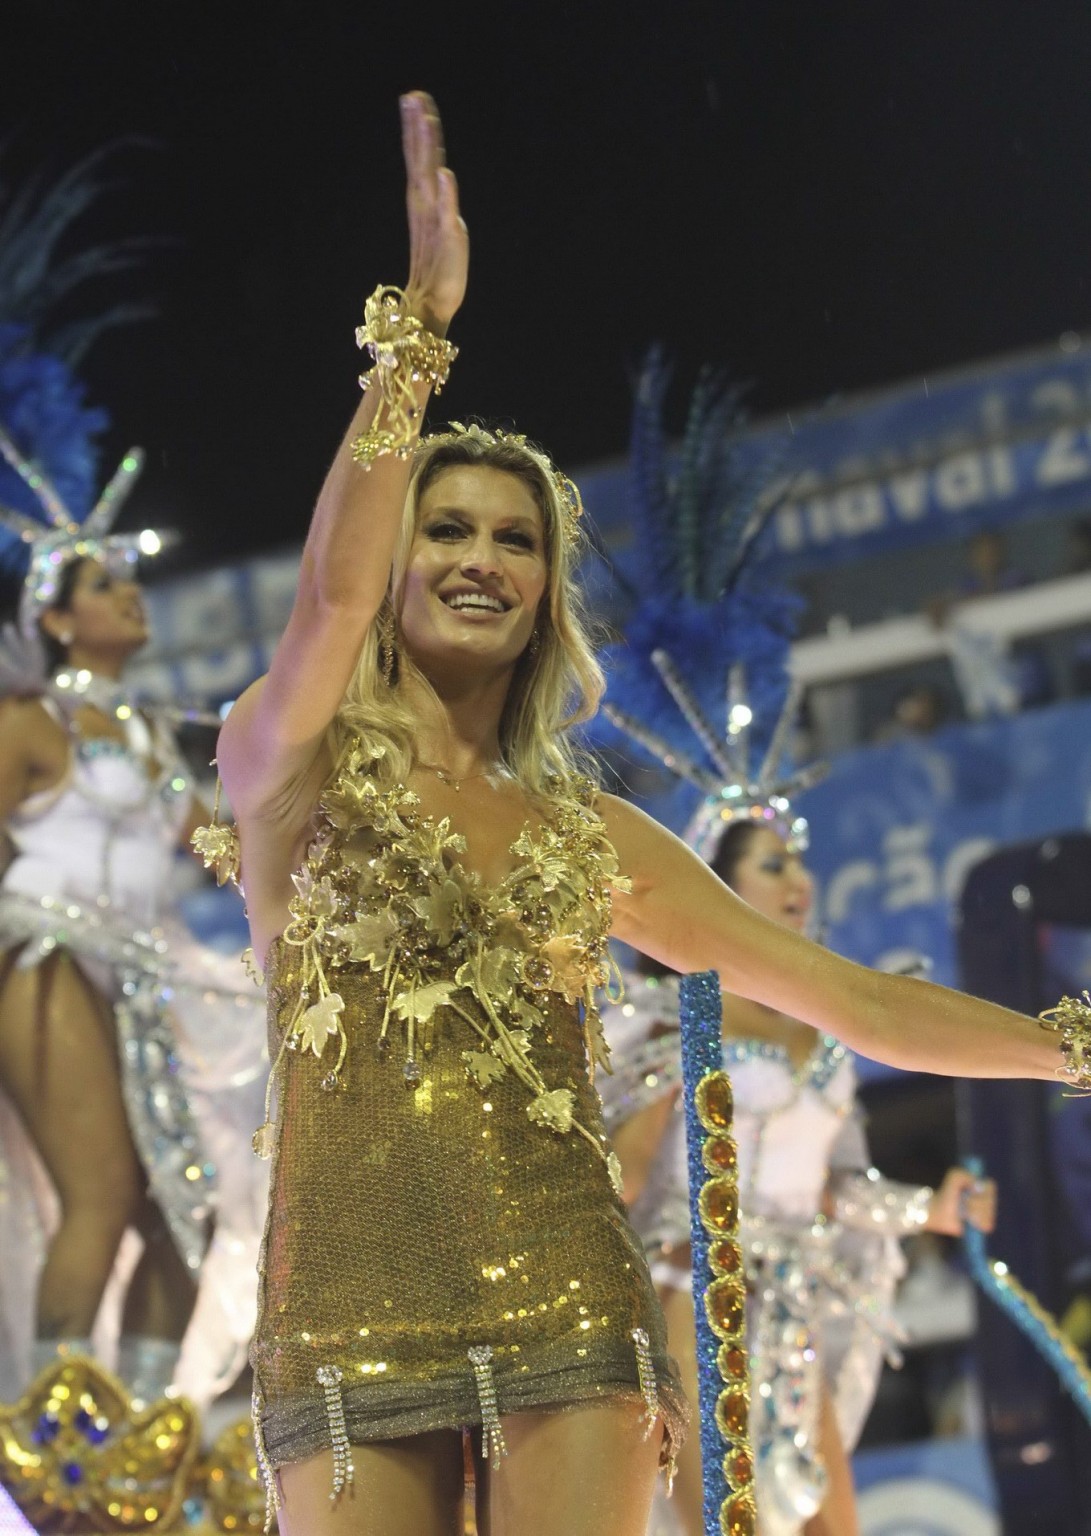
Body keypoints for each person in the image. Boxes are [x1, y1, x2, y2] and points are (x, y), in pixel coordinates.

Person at [210, 92, 1085, 1536]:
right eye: (447, 528)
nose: (481, 558)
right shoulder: (286, 768)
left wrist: (1066, 1053)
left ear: (549, 592)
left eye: (515, 539)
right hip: (346, 1299)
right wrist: (413, 351)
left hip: (565, 1288)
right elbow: (324, 600)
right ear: (398, 557)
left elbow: (843, 998)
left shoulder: (590, 840)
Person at [602, 814, 997, 1536]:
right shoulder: (668, 1018)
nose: (799, 882)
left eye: (798, 864)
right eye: (773, 864)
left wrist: (927, 1211)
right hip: (690, 1297)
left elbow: (832, 1188)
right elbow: (619, 1178)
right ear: (715, 885)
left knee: (830, 1520)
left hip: (790, 1316)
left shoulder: (828, 1030)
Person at [0, 429, 266, 1411]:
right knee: (102, 1195)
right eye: (105, 587)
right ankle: (52, 1448)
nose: (130, 596)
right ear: (58, 619)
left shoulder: (154, 739)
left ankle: (143, 1430)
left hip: (150, 973)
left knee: (176, 1211)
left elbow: (228, 851)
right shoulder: (27, 724)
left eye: (131, 582)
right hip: (48, 957)